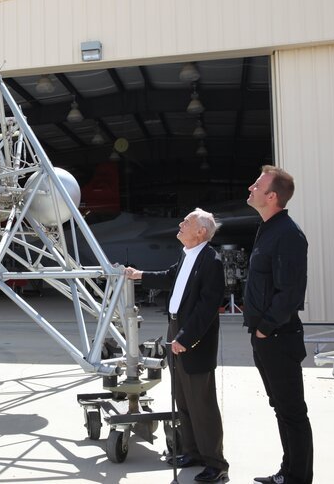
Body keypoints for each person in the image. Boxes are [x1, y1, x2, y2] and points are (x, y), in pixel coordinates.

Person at [125, 208, 229, 483]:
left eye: (187, 221)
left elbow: (207, 308)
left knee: (202, 404)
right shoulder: (187, 255)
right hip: (176, 329)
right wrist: (139, 275)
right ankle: (192, 452)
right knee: (183, 399)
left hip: (192, 338)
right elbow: (170, 276)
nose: (180, 224)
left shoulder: (211, 261)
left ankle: (216, 464)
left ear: (201, 232)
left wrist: (185, 338)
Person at [244, 166, 313, 484]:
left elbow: (291, 293)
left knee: (292, 412)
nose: (251, 187)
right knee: (281, 409)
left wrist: (266, 327)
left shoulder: (287, 234)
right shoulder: (268, 229)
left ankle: (298, 478)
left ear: (272, 196)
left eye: (257, 185)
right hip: (266, 337)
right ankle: (288, 473)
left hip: (278, 337)